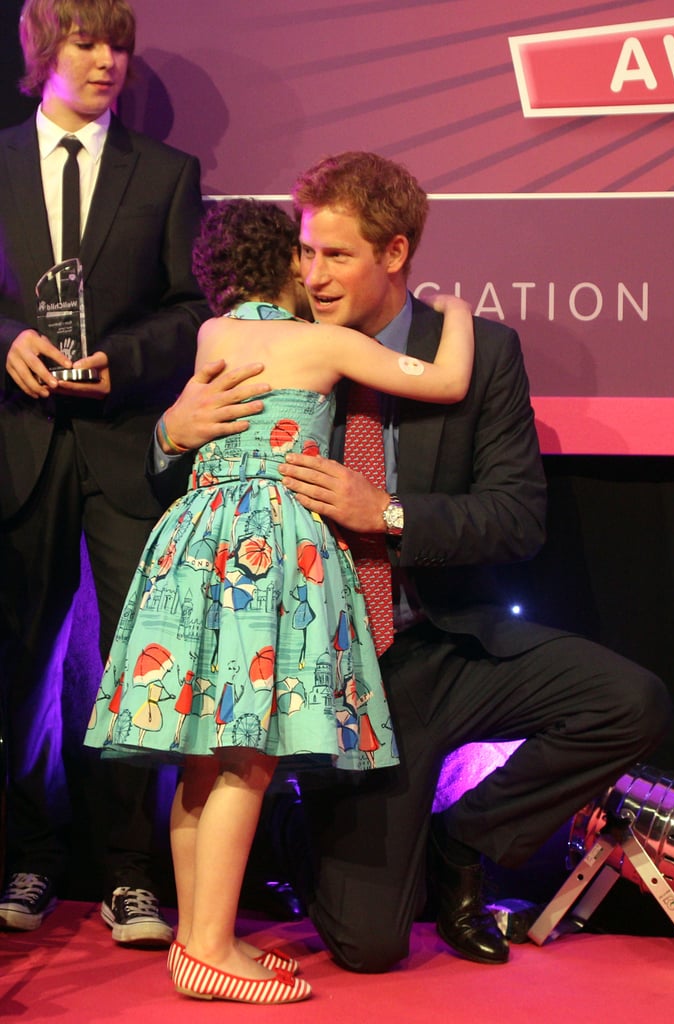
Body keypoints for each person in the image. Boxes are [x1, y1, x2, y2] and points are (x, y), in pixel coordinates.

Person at [154, 152, 672, 975]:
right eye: (305, 250)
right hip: (325, 672)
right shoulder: (264, 343)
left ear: (394, 254)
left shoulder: (480, 353)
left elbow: (516, 517)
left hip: (439, 647)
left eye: (335, 255)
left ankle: (463, 840)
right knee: (370, 949)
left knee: (630, 700)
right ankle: (303, 819)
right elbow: (184, 489)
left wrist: (385, 514)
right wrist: (171, 431)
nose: (311, 272)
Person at [83, 196, 473, 1002]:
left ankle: (197, 940)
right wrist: (458, 311)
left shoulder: (211, 335)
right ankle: (214, 948)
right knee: (249, 754)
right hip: (269, 552)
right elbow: (446, 378)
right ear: (294, 264)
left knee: (200, 757)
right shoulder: (324, 342)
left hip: (192, 543)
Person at [0, 0, 221, 945]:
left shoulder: (168, 173)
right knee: (19, 668)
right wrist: (4, 340)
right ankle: (32, 854)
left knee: (140, 662)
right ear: (45, 49)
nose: (109, 62)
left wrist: (120, 363)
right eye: (89, 43)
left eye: (120, 45)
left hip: (125, 443)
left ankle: (131, 875)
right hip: (17, 444)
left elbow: (188, 308)